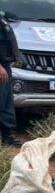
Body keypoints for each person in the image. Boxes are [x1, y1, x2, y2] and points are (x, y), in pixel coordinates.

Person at [0, 12, 21, 147]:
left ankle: (7, 137)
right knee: (1, 100)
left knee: (6, 101)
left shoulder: (2, 17)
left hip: (5, 64)